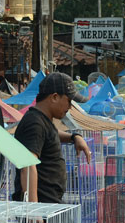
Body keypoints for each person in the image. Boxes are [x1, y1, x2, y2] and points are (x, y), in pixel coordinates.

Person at [13, 72, 92, 203]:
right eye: (68, 101)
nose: (70, 107)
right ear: (54, 97)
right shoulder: (34, 123)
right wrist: (34, 211)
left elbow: (51, 133)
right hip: (42, 207)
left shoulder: (42, 120)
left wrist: (74, 137)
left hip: (50, 203)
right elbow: (28, 165)